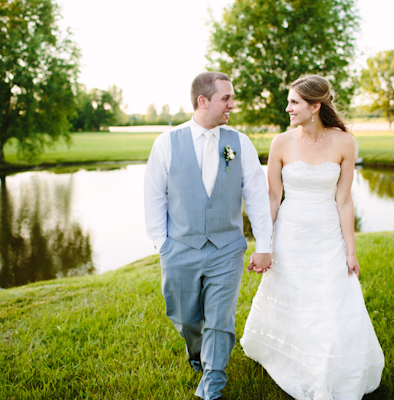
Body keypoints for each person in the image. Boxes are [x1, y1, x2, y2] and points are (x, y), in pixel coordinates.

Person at [241, 75, 385, 400]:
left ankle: (330, 365)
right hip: (290, 235)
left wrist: (351, 250)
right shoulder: (280, 142)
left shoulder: (344, 142)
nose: (287, 107)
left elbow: (344, 200)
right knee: (295, 297)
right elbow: (273, 197)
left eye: (294, 102)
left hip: (327, 234)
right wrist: (264, 244)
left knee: (332, 298)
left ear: (315, 106)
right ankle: (292, 355)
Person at [144, 71, 273, 400]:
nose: (233, 104)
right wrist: (163, 244)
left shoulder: (238, 143)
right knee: (185, 317)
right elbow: (154, 196)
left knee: (220, 318)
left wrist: (264, 245)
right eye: (226, 98)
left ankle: (213, 380)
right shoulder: (166, 143)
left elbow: (257, 196)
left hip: (226, 248)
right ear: (203, 101)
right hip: (180, 248)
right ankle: (197, 352)